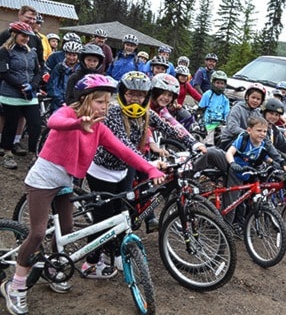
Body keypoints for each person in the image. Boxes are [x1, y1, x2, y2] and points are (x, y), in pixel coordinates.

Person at [0, 74, 164, 315]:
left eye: (107, 102)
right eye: (100, 102)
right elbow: (55, 122)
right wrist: (78, 123)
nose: (105, 107)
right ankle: (16, 286)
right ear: (85, 100)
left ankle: (55, 268)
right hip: (43, 180)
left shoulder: (99, 128)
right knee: (36, 233)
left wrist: (149, 168)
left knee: (66, 230)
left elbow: (124, 151)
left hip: (66, 181)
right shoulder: (68, 113)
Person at [83, 71, 200, 276]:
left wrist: (194, 142)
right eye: (131, 94)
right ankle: (91, 261)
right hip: (102, 171)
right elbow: (124, 146)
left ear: (146, 96)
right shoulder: (112, 113)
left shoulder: (147, 113)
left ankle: (117, 252)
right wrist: (149, 163)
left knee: (122, 214)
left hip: (124, 170)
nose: (135, 99)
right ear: (122, 93)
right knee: (104, 219)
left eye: (140, 95)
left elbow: (172, 127)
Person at [0, 22, 43, 168]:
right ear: (14, 34)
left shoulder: (32, 52)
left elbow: (38, 72)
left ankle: (34, 154)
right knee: (10, 124)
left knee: (36, 124)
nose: (26, 39)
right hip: (11, 94)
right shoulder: (5, 51)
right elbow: (4, 73)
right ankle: (7, 153)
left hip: (29, 95)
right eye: (23, 35)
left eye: (28, 37)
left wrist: (34, 85)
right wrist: (20, 86)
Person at [219, 83, 266, 150]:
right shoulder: (237, 108)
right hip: (230, 140)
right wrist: (250, 134)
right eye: (253, 97)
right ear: (247, 97)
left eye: (258, 99)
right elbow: (232, 127)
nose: (255, 100)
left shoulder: (257, 113)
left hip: (248, 139)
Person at [47, 41, 81, 113]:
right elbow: (52, 86)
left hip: (76, 103)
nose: (71, 58)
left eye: (74, 55)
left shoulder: (81, 69)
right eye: (69, 54)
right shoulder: (59, 67)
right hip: (59, 102)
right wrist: (60, 102)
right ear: (65, 54)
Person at [198, 70, 230, 146]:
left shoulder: (225, 98)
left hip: (220, 123)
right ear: (212, 83)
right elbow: (200, 110)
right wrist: (201, 121)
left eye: (222, 83)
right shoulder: (207, 95)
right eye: (217, 83)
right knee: (209, 141)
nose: (220, 85)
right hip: (209, 123)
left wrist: (227, 122)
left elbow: (227, 113)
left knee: (226, 139)